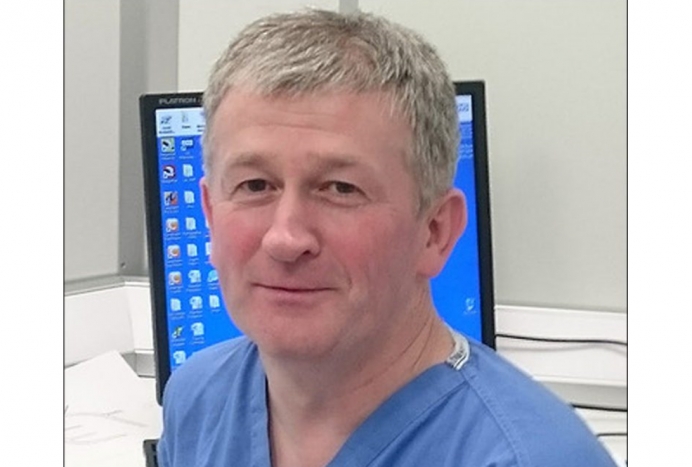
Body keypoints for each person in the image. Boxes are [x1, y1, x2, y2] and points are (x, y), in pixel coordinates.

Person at [156, 9, 617, 467]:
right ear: (210, 214)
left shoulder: (527, 458)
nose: (286, 238)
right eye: (254, 185)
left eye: (341, 189)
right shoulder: (199, 399)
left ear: (435, 232)